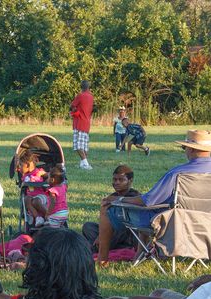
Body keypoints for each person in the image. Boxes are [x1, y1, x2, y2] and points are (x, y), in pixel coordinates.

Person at [98, 130, 211, 265]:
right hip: (206, 224)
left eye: (184, 147)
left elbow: (148, 201)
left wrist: (119, 200)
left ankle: (102, 260)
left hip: (175, 225)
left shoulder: (177, 174)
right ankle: (139, 254)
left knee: (107, 208)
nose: (184, 150)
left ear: (191, 149)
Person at [82, 165, 140, 256]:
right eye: (114, 179)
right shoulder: (112, 197)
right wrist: (101, 234)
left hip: (128, 235)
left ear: (130, 181)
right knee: (88, 226)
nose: (116, 182)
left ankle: (95, 247)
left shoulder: (135, 196)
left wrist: (102, 236)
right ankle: (101, 245)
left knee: (120, 228)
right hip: (111, 233)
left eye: (121, 180)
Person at [18, 150, 48, 228]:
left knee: (36, 201)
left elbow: (51, 175)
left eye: (21, 165)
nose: (19, 168)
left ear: (27, 165)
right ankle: (38, 217)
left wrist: (43, 174)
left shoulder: (39, 171)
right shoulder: (25, 176)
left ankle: (49, 216)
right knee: (26, 199)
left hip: (41, 196)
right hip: (31, 197)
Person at [70, 80, 94, 170]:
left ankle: (86, 163)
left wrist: (74, 111)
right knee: (84, 145)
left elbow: (72, 106)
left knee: (78, 146)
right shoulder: (91, 96)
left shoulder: (80, 95)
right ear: (89, 87)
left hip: (79, 122)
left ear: (81, 86)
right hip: (87, 123)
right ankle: (82, 164)